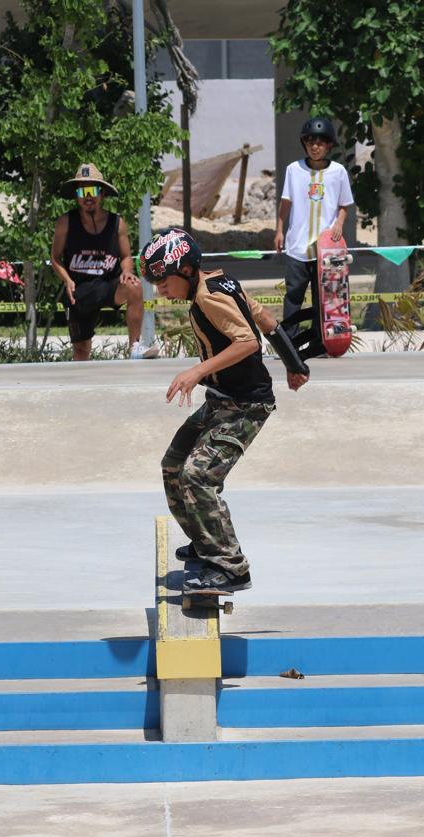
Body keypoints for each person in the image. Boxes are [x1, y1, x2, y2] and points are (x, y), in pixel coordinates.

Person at [143, 228, 310, 595]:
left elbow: (248, 341)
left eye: (163, 281)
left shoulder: (208, 297)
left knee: (198, 476)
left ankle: (231, 567)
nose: (160, 290)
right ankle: (206, 543)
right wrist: (293, 363)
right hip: (221, 400)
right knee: (173, 465)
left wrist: (196, 371)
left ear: (186, 270)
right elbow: (263, 317)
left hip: (245, 406)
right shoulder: (222, 282)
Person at [50, 163, 157, 361]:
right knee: (81, 351)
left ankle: (134, 347)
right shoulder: (65, 222)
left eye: (93, 190)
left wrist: (126, 271)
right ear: (76, 195)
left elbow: (126, 256)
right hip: (79, 289)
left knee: (134, 285)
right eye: (82, 191)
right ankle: (80, 389)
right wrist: (66, 280)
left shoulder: (118, 223)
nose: (88, 196)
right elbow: (55, 258)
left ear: (102, 194)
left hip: (109, 285)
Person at [273, 116, 354, 357]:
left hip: (326, 250)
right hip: (297, 246)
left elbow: (345, 204)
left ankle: (320, 344)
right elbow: (285, 202)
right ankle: (288, 344)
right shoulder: (293, 170)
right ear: (304, 144)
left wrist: (339, 223)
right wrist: (278, 229)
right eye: (310, 142)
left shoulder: (338, 172)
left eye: (320, 142)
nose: (315, 147)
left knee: (324, 300)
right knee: (293, 297)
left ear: (329, 145)